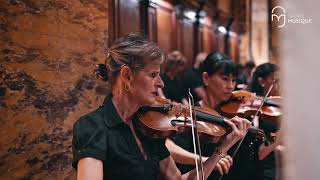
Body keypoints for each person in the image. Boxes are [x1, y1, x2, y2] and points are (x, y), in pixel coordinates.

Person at [72, 33, 251, 180]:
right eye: (153, 75)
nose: (161, 84)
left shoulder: (147, 128)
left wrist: (220, 150)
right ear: (127, 75)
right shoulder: (93, 127)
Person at [167, 52, 260, 180]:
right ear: (206, 78)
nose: (230, 86)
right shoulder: (191, 115)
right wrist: (205, 160)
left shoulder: (235, 113)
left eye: (233, 80)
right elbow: (168, 148)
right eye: (225, 78)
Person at [250, 63, 283, 180]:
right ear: (262, 81)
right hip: (265, 172)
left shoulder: (278, 106)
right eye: (276, 81)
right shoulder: (255, 113)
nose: (280, 85)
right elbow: (261, 152)